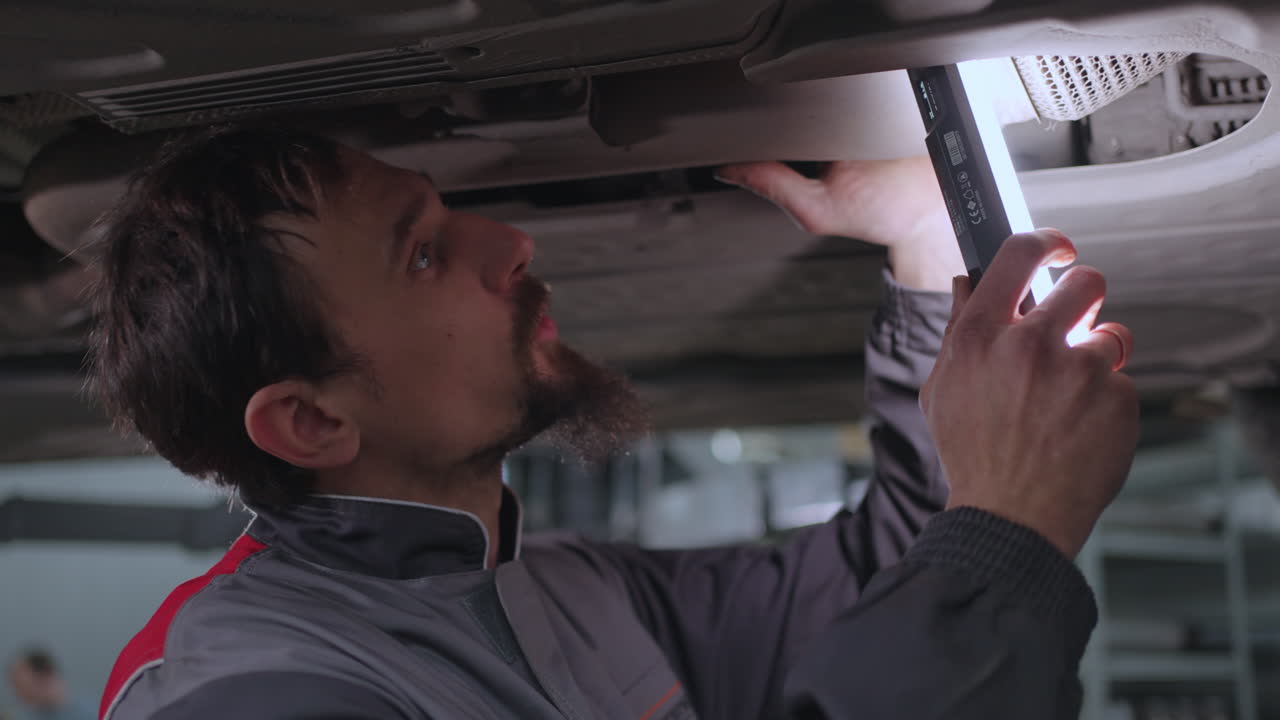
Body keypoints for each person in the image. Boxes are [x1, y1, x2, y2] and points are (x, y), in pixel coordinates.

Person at [90, 128, 1136, 719]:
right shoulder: (247, 696)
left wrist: (922, 250)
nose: (508, 243)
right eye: (421, 254)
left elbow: (875, 584)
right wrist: (1006, 530)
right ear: (311, 421)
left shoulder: (558, 589)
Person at [8, 649, 94, 720]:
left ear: (45, 677)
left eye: (22, 687)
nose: (18, 695)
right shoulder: (30, 715)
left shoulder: (91, 714)